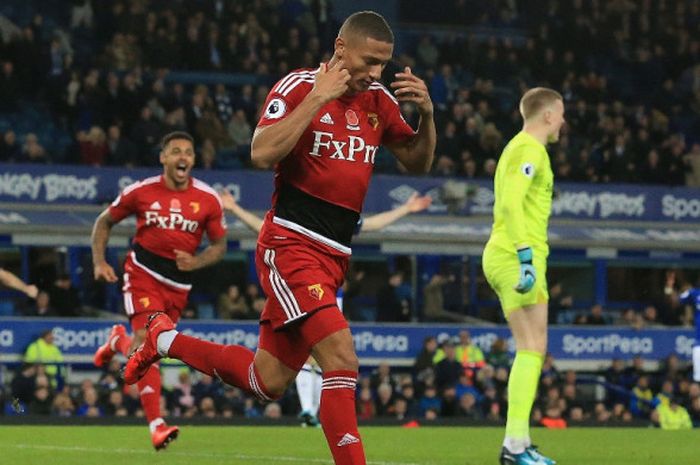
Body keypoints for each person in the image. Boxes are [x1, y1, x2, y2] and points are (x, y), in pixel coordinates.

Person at [124, 11, 435, 465]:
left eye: (384, 65)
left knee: (265, 380)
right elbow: (260, 152)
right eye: (370, 61)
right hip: (291, 245)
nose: (376, 73)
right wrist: (316, 100)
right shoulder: (297, 87)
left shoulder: (379, 101)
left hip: (335, 256)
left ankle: (163, 341)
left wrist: (426, 116)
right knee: (341, 358)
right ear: (340, 47)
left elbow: (418, 162)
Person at [219, 188, 431, 426]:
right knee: (307, 356)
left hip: (330, 297)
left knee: (322, 358)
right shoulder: (300, 217)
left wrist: (406, 209)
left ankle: (312, 412)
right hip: (305, 291)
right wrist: (235, 209)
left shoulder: (337, 218)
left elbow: (372, 225)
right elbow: (264, 230)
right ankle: (309, 410)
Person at [91, 131, 227, 450]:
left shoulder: (208, 199)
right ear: (163, 158)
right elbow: (104, 222)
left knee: (153, 347)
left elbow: (220, 245)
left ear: (194, 159)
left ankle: (116, 341)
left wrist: (197, 261)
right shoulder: (141, 192)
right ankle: (157, 424)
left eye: (188, 153)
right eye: (176, 151)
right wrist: (99, 261)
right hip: (143, 273)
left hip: (178, 285)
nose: (183, 157)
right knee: (148, 341)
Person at [482, 88, 565, 465]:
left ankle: (521, 441)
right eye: (561, 113)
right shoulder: (530, 149)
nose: (563, 120)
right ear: (548, 115)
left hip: (524, 255)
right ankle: (514, 446)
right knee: (530, 346)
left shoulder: (523, 148)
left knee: (535, 347)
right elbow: (510, 203)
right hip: (516, 255)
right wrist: (526, 257)